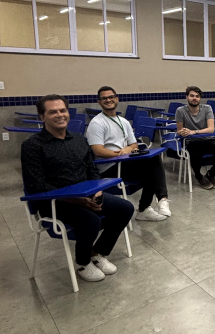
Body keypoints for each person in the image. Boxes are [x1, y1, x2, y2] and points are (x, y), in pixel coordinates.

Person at [21, 94, 135, 282]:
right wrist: (77, 200)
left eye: (62, 110)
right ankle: (83, 262)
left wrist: (98, 191)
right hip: (54, 202)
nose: (60, 115)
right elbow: (36, 185)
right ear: (42, 117)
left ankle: (96, 252)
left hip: (87, 195)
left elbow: (92, 170)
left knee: (125, 208)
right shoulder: (32, 146)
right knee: (91, 220)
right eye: (53, 112)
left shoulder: (79, 139)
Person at [86, 86, 169, 221]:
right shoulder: (97, 123)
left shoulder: (123, 121)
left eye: (111, 97)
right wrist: (119, 155)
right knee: (152, 168)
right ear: (99, 102)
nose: (108, 100)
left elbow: (134, 144)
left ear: (117, 99)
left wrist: (126, 150)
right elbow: (98, 150)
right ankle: (153, 203)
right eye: (104, 98)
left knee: (153, 162)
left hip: (124, 162)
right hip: (108, 167)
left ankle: (158, 202)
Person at [175, 86, 215, 190]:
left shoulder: (207, 108)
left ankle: (210, 174)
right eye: (192, 96)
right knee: (195, 156)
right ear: (187, 97)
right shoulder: (180, 111)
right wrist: (183, 132)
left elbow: (211, 129)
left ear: (200, 98)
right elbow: (179, 130)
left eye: (197, 96)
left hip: (208, 139)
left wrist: (194, 131)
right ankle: (199, 176)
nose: (194, 98)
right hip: (192, 141)